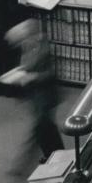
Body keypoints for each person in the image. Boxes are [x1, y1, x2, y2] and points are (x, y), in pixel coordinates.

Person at [5, 17, 64, 172]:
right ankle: (56, 157)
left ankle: (23, 164)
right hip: (36, 97)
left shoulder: (43, 48)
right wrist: (20, 72)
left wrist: (32, 77)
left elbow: (51, 74)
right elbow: (27, 63)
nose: (20, 44)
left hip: (46, 96)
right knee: (44, 130)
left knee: (41, 129)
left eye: (21, 40)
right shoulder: (29, 45)